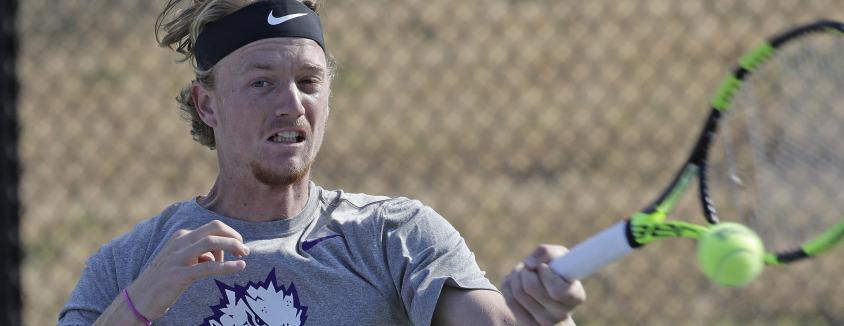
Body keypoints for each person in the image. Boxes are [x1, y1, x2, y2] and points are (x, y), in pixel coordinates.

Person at [58, 1, 584, 325]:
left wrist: (543, 310)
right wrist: (138, 307)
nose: (291, 104)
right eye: (261, 82)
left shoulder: (393, 236)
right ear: (207, 104)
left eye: (308, 82)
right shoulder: (132, 265)